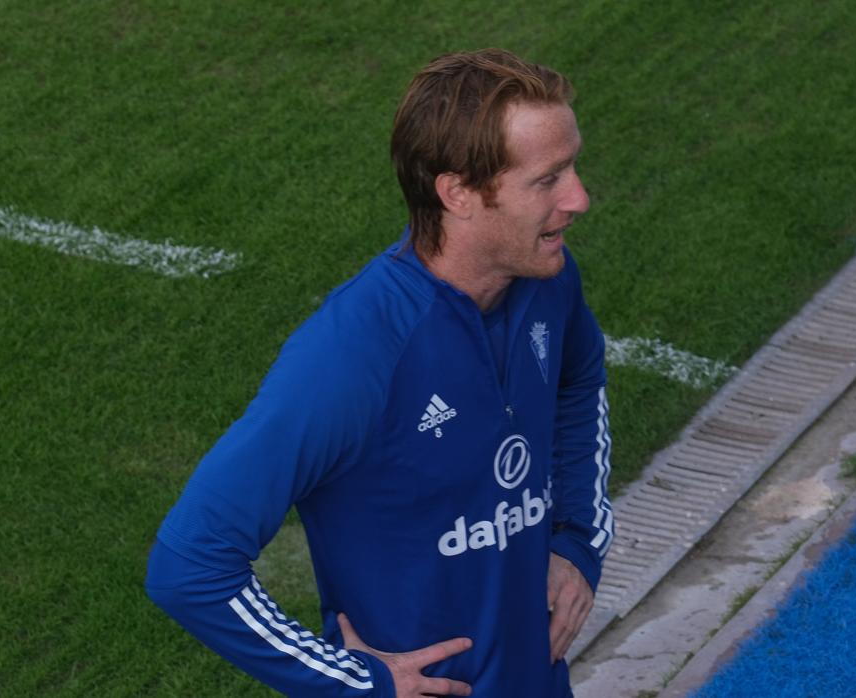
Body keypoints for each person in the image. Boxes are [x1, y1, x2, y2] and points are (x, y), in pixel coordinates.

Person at [145, 48, 614, 697]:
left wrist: (576, 539)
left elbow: (581, 379)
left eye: (573, 166)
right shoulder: (350, 354)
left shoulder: (548, 283)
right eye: (548, 179)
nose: (579, 198)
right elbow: (188, 565)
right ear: (458, 193)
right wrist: (354, 680)